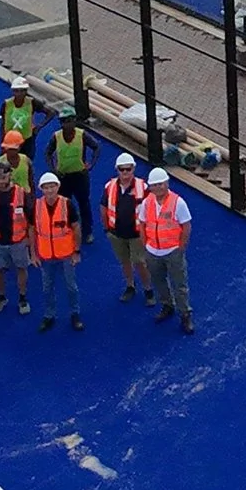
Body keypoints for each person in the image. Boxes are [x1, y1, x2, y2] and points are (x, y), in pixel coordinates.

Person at [136, 168, 194, 335]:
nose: (158, 188)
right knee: (159, 281)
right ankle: (167, 305)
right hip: (153, 252)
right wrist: (146, 244)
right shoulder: (147, 203)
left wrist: (181, 247)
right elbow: (142, 224)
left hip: (173, 251)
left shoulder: (178, 202)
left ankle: (185, 314)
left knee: (179, 285)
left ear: (167, 183)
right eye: (154, 185)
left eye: (160, 184)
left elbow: (186, 226)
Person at [30, 171, 84, 332]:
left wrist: (76, 251)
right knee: (47, 287)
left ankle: (75, 313)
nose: (50, 190)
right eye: (46, 188)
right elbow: (32, 229)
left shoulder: (67, 204)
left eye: (52, 186)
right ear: (42, 189)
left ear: (58, 187)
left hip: (66, 254)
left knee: (71, 286)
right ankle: (49, 315)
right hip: (46, 255)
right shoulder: (37, 206)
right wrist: (33, 254)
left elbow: (76, 228)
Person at [100, 152, 151, 305]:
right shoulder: (110, 187)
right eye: (122, 170)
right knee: (125, 262)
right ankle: (130, 286)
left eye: (128, 169)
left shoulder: (143, 187)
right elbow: (103, 208)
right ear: (117, 170)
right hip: (117, 234)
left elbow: (150, 210)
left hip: (136, 234)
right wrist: (107, 229)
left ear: (133, 169)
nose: (125, 173)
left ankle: (148, 289)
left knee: (139, 262)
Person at [0, 162, 34, 314]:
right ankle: (1, 297)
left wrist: (28, 241)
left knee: (21, 268)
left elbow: (31, 220)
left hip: (18, 241)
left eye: (3, 176)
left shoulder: (21, 194)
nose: (1, 179)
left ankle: (22, 297)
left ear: (10, 175)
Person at [46, 110, 93, 243]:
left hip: (80, 176)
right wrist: (54, 170)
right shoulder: (56, 137)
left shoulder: (82, 135)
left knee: (84, 204)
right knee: (64, 206)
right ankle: (66, 230)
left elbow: (96, 147)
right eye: (65, 121)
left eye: (70, 120)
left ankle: (87, 232)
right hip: (63, 177)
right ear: (61, 123)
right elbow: (48, 153)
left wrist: (91, 164)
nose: (68, 124)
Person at [1, 77, 40, 147]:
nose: (19, 93)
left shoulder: (31, 102)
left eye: (22, 90)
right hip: (11, 139)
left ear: (26, 91)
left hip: (27, 139)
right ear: (13, 91)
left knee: (26, 158)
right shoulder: (6, 104)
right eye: (16, 91)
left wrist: (39, 126)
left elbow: (50, 113)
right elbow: (3, 123)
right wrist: (2, 140)